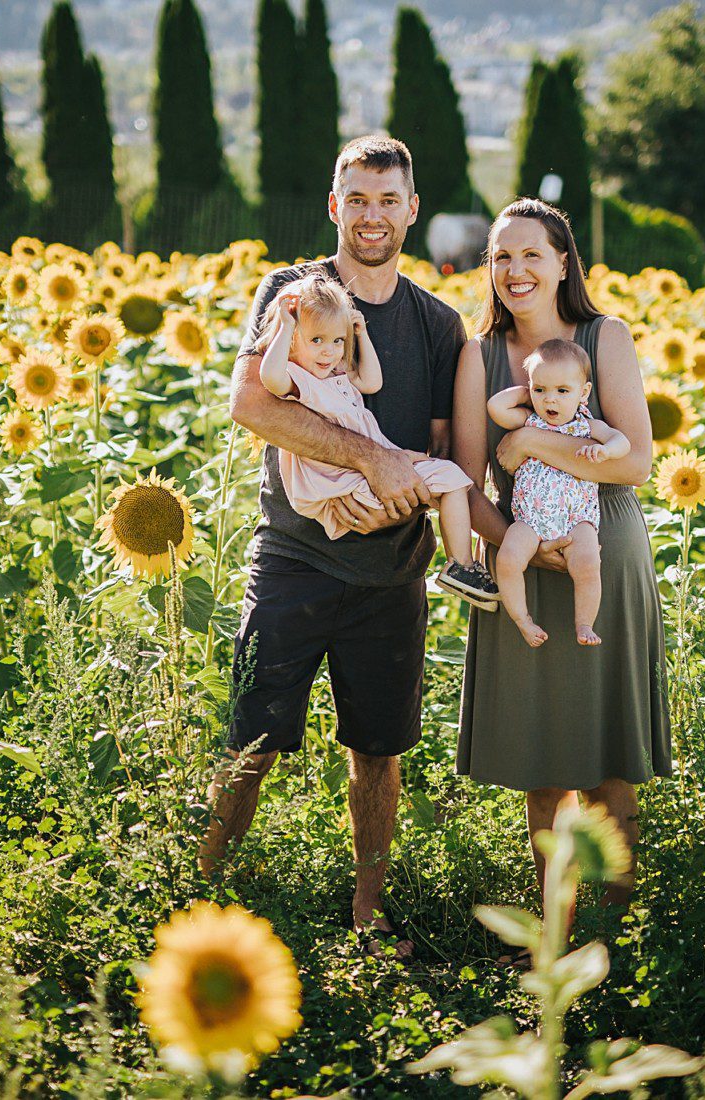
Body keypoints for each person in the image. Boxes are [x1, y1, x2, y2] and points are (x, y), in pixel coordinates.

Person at [199, 136, 468, 960]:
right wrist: (372, 459)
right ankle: (204, 886)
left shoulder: (435, 324)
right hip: (293, 558)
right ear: (334, 207)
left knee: (378, 753)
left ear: (412, 210)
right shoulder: (293, 292)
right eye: (357, 198)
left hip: (390, 573)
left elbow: (438, 445)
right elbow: (251, 402)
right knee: (252, 737)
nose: (373, 215)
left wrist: (398, 498)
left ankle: (368, 906)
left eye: (388, 199)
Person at [453, 198, 674, 961]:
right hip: (519, 556)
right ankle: (555, 937)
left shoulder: (604, 336)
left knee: (613, 761)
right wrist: (518, 541)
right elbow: (472, 480)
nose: (515, 271)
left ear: (562, 262)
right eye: (501, 257)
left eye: (531, 255)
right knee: (543, 766)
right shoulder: (478, 355)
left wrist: (537, 444)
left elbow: (636, 461)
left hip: (600, 551)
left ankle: (619, 930)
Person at [254, 273, 498, 606]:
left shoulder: (336, 373)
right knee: (441, 482)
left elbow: (371, 381)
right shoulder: (300, 380)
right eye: (316, 341)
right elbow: (269, 377)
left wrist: (360, 334)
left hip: (373, 470)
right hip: (344, 484)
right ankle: (465, 562)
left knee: (453, 479)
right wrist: (285, 325)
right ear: (294, 340)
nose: (329, 351)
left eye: (337, 341)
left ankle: (460, 564)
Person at [485, 338, 630, 646]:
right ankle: (522, 619)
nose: (550, 400)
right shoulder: (530, 420)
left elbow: (622, 442)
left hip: (577, 519)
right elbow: (496, 408)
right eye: (541, 390)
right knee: (509, 558)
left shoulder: (587, 427)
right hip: (530, 519)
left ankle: (584, 624)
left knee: (588, 563)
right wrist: (527, 392)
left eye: (562, 391)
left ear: (584, 393)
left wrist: (606, 452)